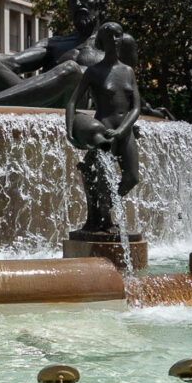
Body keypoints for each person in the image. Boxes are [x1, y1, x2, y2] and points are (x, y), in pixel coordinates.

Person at [65, 21, 141, 233]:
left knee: (132, 177)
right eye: (109, 37)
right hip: (103, 132)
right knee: (104, 179)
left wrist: (123, 129)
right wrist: (70, 131)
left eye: (117, 36)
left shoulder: (128, 71)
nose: (114, 40)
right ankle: (104, 219)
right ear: (101, 41)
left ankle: (106, 206)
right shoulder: (93, 72)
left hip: (123, 131)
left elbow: (136, 107)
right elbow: (72, 102)